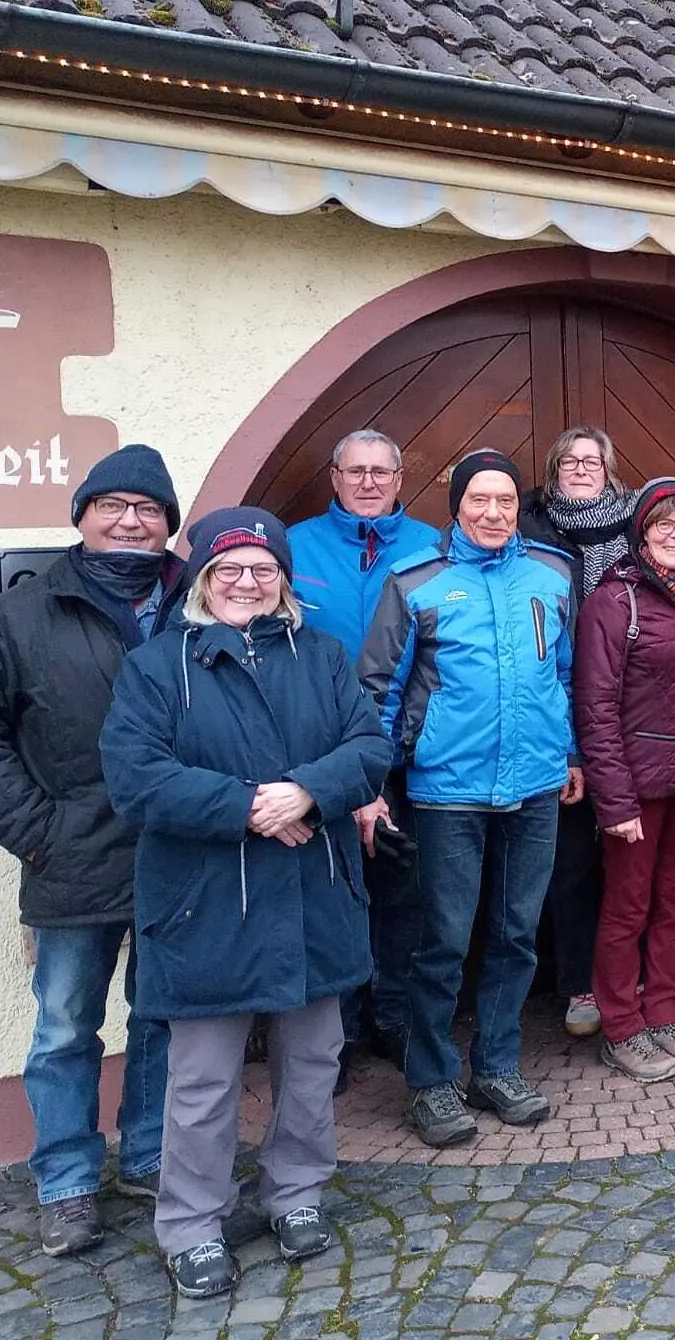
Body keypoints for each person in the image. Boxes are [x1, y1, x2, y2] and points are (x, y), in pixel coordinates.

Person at [99, 509, 388, 1299]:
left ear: (284, 582)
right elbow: (135, 776)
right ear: (202, 581)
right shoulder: (160, 668)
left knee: (311, 1066)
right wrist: (249, 807)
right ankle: (191, 1222)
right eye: (230, 569)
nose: (247, 583)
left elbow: (368, 748)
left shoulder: (323, 657)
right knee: (202, 1080)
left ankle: (295, 1193)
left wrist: (307, 792)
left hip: (311, 899)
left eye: (263, 569)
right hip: (205, 907)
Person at [0, 444, 182, 1256]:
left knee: (166, 1019)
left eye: (148, 510)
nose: (129, 520)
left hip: (181, 857)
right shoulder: (21, 616)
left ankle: (151, 1156)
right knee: (63, 1029)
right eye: (112, 505)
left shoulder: (201, 601)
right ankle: (68, 1180)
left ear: (168, 527)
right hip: (72, 855)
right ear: (81, 516)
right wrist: (31, 829)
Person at [360, 448, 582, 1148]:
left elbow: (564, 674)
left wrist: (569, 751)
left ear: (521, 507)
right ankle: (430, 1080)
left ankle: (496, 1067)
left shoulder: (552, 574)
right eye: (479, 500)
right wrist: (371, 785)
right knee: (444, 942)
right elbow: (378, 694)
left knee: (518, 937)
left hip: (535, 785)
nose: (493, 512)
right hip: (446, 791)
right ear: (456, 506)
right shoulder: (417, 584)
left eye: (507, 500)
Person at [285, 429, 440, 1080]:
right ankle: (337, 1033)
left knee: (404, 894)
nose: (370, 482)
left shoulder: (432, 547)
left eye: (382, 471)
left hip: (408, 752)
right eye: (357, 471)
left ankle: (394, 1019)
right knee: (332, 897)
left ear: (401, 478)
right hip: (318, 757)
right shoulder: (293, 547)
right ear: (335, 476)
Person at [576, 478, 675, 1083]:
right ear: (641, 532)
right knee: (627, 907)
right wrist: (613, 800)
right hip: (636, 788)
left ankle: (664, 1010)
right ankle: (621, 1024)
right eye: (664, 524)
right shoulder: (616, 602)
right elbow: (595, 706)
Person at [517, 427, 636, 1041]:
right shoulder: (529, 528)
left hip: (628, 710)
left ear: (609, 469)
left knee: (630, 854)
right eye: (572, 460)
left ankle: (624, 973)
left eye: (594, 460)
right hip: (557, 707)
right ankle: (575, 982)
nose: (583, 468)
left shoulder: (637, 524)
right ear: (553, 467)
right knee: (569, 858)